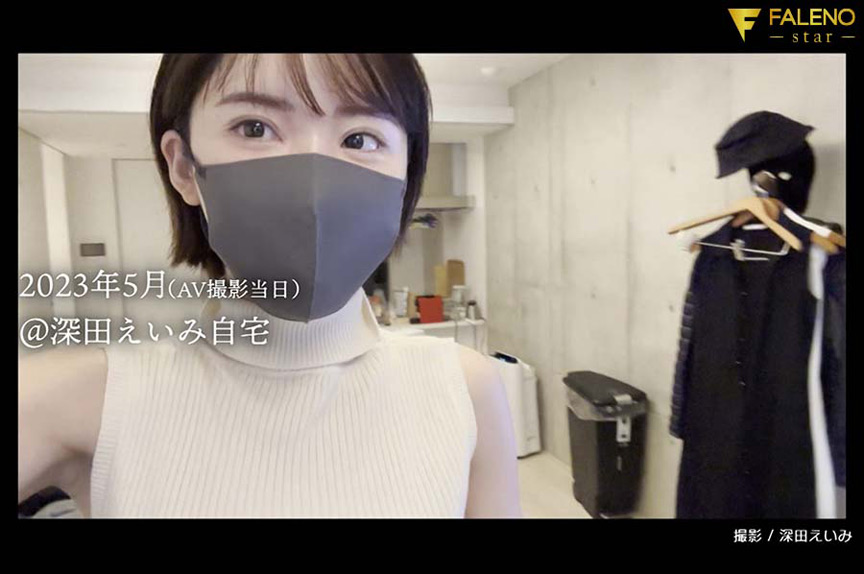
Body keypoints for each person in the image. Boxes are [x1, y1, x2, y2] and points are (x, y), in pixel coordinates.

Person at [18, 54, 522, 518]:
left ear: (406, 171)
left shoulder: (464, 388)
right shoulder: (83, 399)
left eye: (360, 138)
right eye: (255, 127)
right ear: (184, 167)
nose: (314, 184)